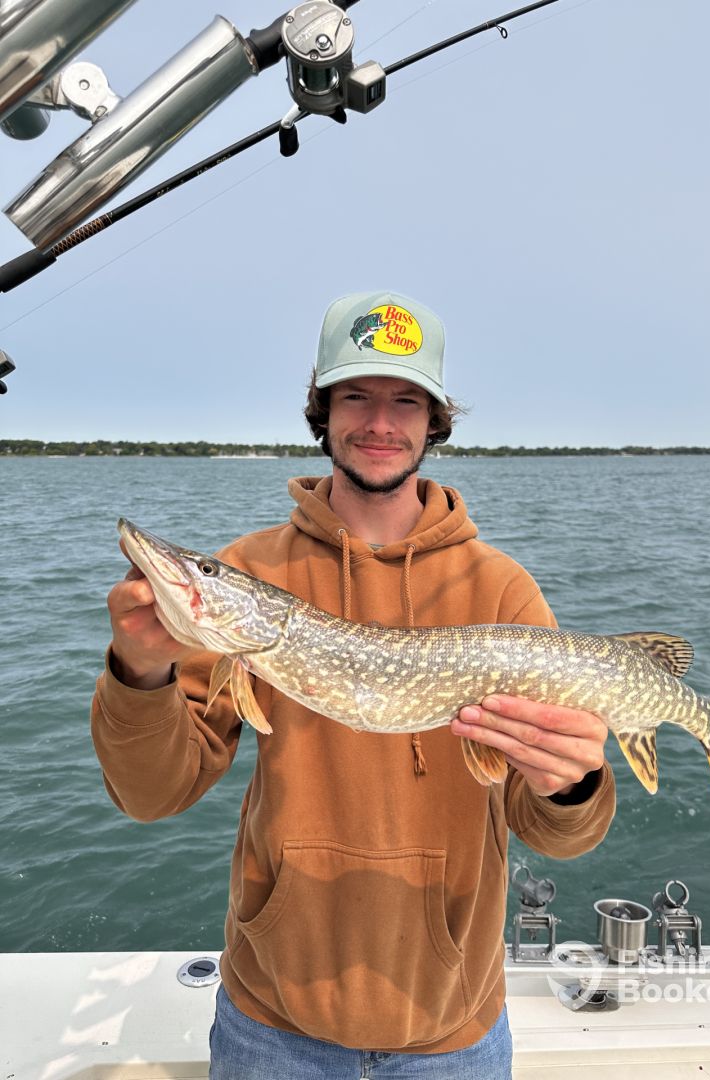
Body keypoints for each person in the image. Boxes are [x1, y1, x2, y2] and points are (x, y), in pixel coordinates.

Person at [91, 290, 616, 1079]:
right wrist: (140, 671)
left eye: (405, 401)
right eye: (355, 397)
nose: (379, 422)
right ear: (323, 411)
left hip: (452, 1030)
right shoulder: (250, 570)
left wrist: (571, 783)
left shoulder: (502, 591)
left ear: (434, 420)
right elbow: (150, 795)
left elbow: (556, 833)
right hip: (272, 1024)